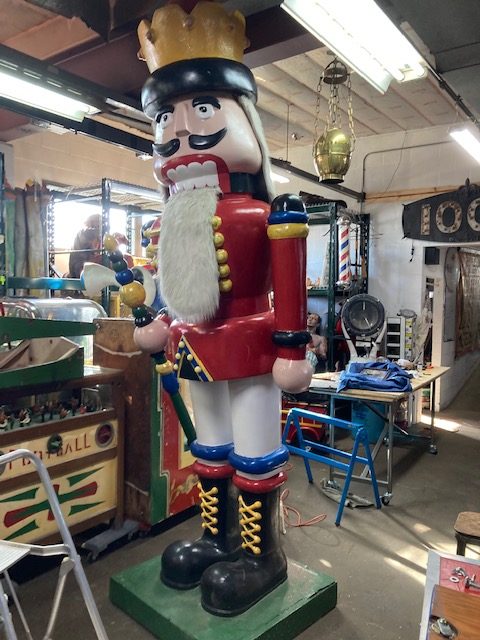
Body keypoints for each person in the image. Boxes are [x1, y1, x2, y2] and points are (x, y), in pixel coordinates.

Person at [130, 0, 312, 617]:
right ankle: (218, 538)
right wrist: (160, 321)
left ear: (244, 122)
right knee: (209, 448)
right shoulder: (168, 218)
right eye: (166, 119)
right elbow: (175, 288)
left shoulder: (268, 214)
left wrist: (292, 347)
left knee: (255, 449)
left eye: (203, 108)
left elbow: (288, 284)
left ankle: (263, 555)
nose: (180, 132)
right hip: (193, 348)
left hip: (253, 347)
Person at [67, 213, 102, 279]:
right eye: (98, 224)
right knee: (101, 259)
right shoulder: (82, 232)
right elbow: (93, 233)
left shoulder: (97, 238)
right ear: (91, 223)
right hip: (78, 268)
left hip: (85, 267)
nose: (99, 226)